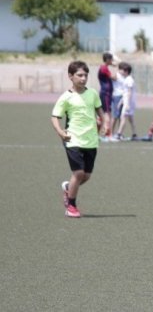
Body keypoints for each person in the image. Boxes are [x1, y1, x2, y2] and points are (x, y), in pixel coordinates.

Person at [50, 61, 105, 218]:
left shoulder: (93, 93)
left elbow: (100, 111)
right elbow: (55, 116)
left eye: (86, 75)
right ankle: (71, 206)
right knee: (79, 173)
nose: (83, 78)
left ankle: (69, 187)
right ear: (70, 76)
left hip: (91, 140)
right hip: (72, 139)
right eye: (79, 75)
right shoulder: (66, 97)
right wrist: (60, 132)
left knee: (86, 176)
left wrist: (105, 123)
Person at [115, 62, 137, 141]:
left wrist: (127, 103)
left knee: (123, 117)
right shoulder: (126, 79)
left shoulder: (129, 80)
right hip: (126, 101)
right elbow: (125, 92)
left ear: (126, 71)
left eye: (121, 70)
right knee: (131, 119)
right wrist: (121, 101)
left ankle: (119, 134)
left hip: (129, 103)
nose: (119, 71)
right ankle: (134, 134)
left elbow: (129, 92)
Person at [97, 52, 116, 141]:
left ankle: (99, 134)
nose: (112, 61)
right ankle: (107, 135)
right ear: (107, 60)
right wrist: (116, 67)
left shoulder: (105, 68)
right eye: (111, 59)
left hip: (107, 93)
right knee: (107, 114)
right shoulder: (104, 68)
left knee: (103, 114)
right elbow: (114, 77)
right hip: (106, 94)